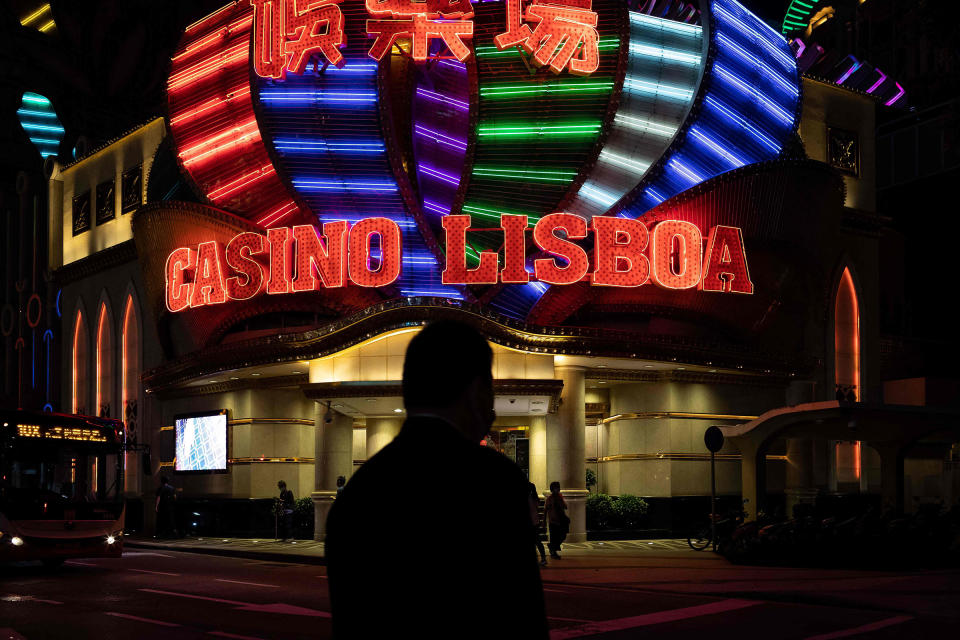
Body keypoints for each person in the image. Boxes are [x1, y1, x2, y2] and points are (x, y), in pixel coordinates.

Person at [326, 321, 548, 638]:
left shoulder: (357, 492)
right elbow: (522, 616)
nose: (493, 406)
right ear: (475, 391)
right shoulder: (492, 480)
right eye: (491, 389)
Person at [545, 481, 569, 559]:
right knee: (554, 537)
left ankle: (552, 547)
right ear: (552, 489)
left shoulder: (560, 497)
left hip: (561, 520)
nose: (557, 489)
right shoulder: (549, 499)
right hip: (553, 521)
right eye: (556, 487)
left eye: (558, 487)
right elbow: (546, 510)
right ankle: (553, 552)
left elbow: (565, 507)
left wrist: (561, 500)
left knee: (563, 536)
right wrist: (544, 520)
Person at [529, 482, 547, 566]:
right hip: (535, 521)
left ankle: (543, 558)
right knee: (537, 541)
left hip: (532, 521)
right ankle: (543, 558)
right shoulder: (535, 498)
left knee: (536, 541)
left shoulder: (529, 498)